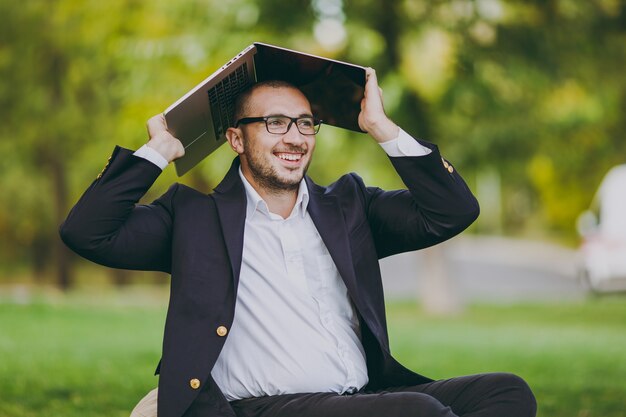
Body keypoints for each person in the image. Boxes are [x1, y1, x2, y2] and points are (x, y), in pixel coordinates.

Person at [60, 68, 536, 417]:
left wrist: (381, 128)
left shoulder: (350, 207)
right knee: (418, 414)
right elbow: (87, 231)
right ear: (236, 139)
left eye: (305, 123)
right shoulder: (193, 217)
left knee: (506, 394)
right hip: (262, 409)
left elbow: (453, 210)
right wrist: (157, 152)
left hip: (361, 399)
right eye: (275, 123)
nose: (295, 137)